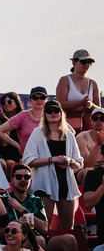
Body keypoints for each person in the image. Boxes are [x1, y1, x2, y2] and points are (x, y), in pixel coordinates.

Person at [24, 99, 83, 230]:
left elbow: (78, 164)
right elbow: (28, 160)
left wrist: (70, 161)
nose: (53, 113)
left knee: (68, 228)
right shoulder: (37, 133)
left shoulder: (69, 135)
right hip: (44, 184)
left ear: (61, 113)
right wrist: (52, 160)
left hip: (66, 184)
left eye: (56, 110)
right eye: (49, 111)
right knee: (44, 228)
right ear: (44, 114)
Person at [57, 49, 100, 132]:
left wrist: (91, 105)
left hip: (88, 128)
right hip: (67, 128)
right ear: (74, 62)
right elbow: (59, 104)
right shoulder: (65, 80)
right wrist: (80, 103)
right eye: (83, 61)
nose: (86, 65)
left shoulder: (93, 83)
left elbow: (99, 110)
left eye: (89, 62)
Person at [78, 107, 104, 174]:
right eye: (95, 118)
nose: (98, 121)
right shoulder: (82, 137)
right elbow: (87, 165)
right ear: (91, 121)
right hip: (87, 173)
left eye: (102, 119)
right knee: (88, 171)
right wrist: (98, 145)